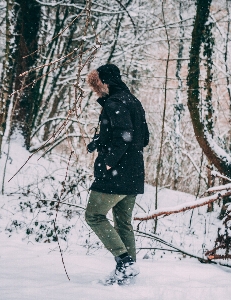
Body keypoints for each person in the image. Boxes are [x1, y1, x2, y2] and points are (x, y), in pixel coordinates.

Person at [85, 64, 149, 285]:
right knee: (123, 223)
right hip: (134, 174)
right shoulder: (134, 102)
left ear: (104, 81)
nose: (97, 91)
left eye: (97, 85)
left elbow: (124, 137)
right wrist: (99, 141)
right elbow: (143, 138)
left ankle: (125, 262)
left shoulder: (114, 103)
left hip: (116, 174)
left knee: (93, 215)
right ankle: (127, 274)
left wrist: (108, 164)